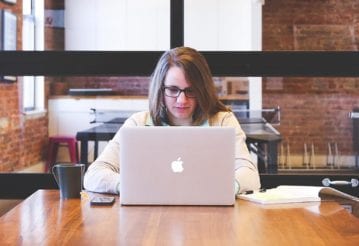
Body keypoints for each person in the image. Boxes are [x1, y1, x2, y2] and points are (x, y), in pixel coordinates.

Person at [83, 46, 261, 195]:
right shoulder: (138, 123)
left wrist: (222, 189)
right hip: (149, 218)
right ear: (160, 89)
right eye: (173, 90)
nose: (182, 100)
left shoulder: (223, 121)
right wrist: (129, 185)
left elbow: (251, 177)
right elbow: (93, 175)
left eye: (191, 91)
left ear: (203, 90)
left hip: (209, 217)